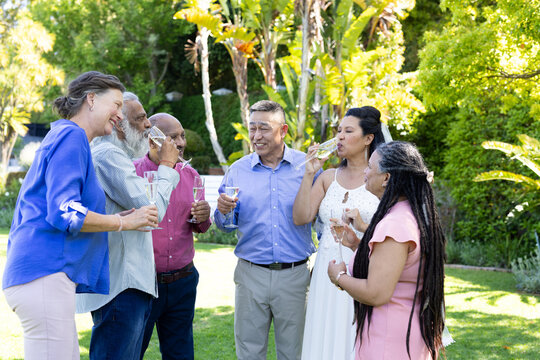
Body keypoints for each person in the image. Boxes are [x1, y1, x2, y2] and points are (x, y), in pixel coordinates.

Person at [2, 71, 159, 360]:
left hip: (41, 277)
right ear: (90, 99)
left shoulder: (65, 136)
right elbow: (65, 211)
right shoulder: (72, 136)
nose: (119, 113)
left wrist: (112, 218)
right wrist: (123, 222)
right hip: (45, 274)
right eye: (115, 104)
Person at [76, 92, 180, 360]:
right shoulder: (108, 155)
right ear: (120, 126)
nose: (148, 125)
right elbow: (150, 212)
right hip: (121, 287)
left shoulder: (119, 156)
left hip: (129, 284)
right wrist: (167, 165)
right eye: (141, 118)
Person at [214, 100, 317, 360]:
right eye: (252, 128)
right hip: (250, 275)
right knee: (249, 353)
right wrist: (224, 211)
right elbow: (225, 225)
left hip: (295, 276)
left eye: (264, 128)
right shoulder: (237, 171)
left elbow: (322, 220)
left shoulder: (307, 168)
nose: (256, 136)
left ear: (283, 130)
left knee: (294, 353)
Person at [328, 141, 447, 360]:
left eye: (370, 167)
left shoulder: (395, 224)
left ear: (386, 178)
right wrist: (357, 245)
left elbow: (376, 292)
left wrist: (339, 277)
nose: (365, 171)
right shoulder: (409, 214)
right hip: (404, 335)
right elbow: (397, 268)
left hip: (390, 342)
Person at [293, 106, 388, 360]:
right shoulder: (327, 177)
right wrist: (309, 173)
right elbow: (301, 217)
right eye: (338, 131)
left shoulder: (384, 181)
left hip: (363, 272)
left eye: (348, 131)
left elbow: (391, 236)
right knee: (323, 338)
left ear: (368, 138)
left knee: (353, 339)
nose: (339, 138)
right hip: (326, 272)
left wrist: (361, 228)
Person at [136, 113, 212, 360]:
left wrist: (204, 215)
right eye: (173, 137)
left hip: (183, 282)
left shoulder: (191, 175)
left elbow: (200, 225)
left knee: (180, 354)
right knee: (131, 351)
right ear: (153, 140)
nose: (181, 142)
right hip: (143, 284)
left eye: (182, 136)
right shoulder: (132, 174)